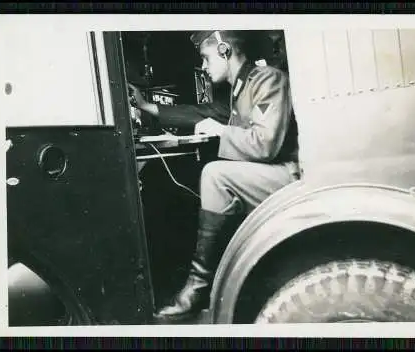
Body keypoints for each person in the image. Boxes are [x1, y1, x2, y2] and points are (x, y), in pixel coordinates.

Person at [128, 30, 300, 324]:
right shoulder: (241, 88)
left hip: (290, 177)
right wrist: (146, 106)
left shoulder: (268, 80)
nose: (204, 67)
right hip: (273, 175)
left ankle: (198, 287)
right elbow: (200, 112)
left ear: (224, 50)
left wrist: (220, 131)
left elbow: (265, 143)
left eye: (206, 59)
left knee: (215, 175)